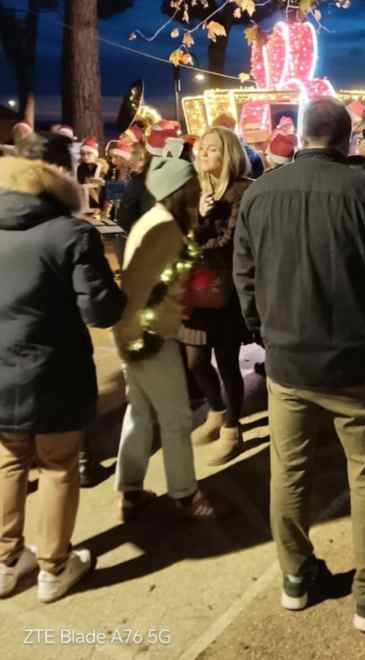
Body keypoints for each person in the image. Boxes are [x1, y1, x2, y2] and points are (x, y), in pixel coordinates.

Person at [234, 98, 365, 634]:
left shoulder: (260, 192)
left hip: (288, 362)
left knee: (288, 473)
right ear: (346, 137)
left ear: (301, 135)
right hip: (358, 362)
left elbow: (244, 276)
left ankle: (295, 576)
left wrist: (264, 333)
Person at [0, 135, 125, 602]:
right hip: (53, 372)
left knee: (8, 460)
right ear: (60, 172)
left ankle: (6, 561)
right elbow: (101, 311)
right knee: (56, 465)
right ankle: (54, 566)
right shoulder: (72, 233)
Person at [113, 156, 220, 522]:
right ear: (180, 190)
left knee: (140, 413)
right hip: (151, 337)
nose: (198, 189)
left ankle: (130, 491)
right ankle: (185, 494)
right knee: (175, 419)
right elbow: (144, 289)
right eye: (192, 185)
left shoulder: (155, 222)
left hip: (137, 335)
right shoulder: (164, 230)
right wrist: (182, 304)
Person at [180, 127, 252, 464]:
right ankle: (216, 410)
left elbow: (229, 244)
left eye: (211, 148)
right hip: (195, 287)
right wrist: (197, 219)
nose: (202, 153)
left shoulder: (242, 190)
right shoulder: (194, 188)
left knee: (227, 362)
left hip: (226, 289)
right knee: (195, 361)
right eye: (201, 148)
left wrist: (200, 228)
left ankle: (232, 428)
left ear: (228, 154)